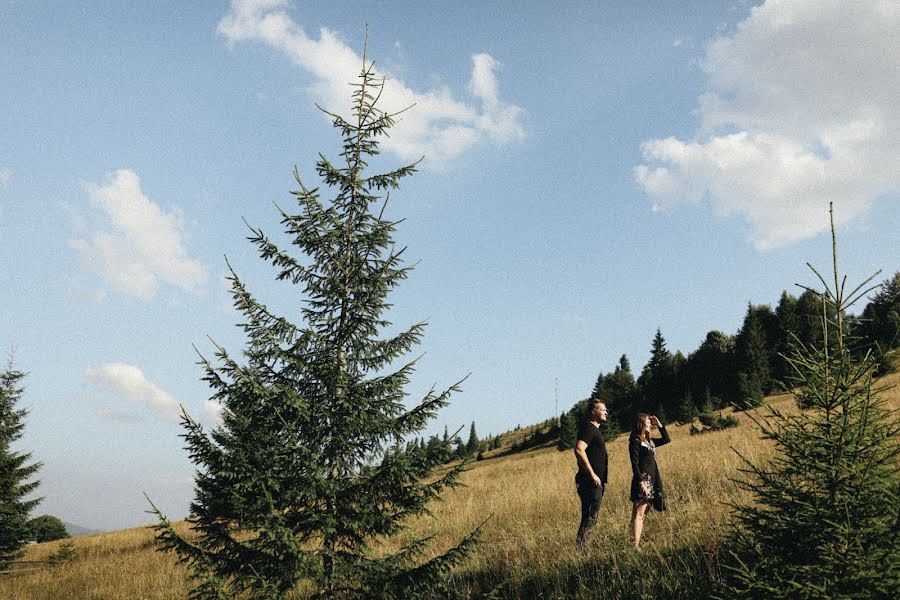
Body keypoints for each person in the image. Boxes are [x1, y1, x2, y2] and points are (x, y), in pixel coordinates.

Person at [629, 413, 670, 549]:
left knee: (642, 514)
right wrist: (641, 482)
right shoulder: (635, 441)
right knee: (639, 514)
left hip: (653, 479)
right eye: (648, 420)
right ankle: (634, 546)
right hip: (643, 480)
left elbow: (666, 439)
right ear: (641, 423)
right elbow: (634, 464)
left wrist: (659, 424)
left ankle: (634, 543)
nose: (650, 422)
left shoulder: (649, 442)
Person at [573, 398, 609, 551]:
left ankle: (582, 549)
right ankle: (582, 551)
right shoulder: (589, 428)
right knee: (589, 517)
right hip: (590, 482)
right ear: (593, 412)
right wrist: (593, 475)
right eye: (602, 409)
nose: (606, 412)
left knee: (590, 517)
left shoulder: (594, 430)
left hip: (594, 482)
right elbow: (579, 450)